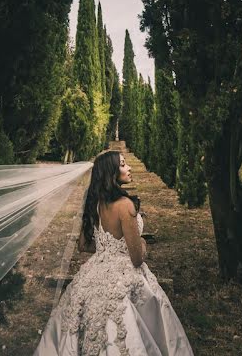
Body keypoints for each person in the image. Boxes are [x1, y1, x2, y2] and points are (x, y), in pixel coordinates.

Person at [34, 150, 194, 355]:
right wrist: (142, 242)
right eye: (123, 164)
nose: (128, 168)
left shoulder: (96, 203)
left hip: (95, 271)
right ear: (111, 172)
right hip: (124, 273)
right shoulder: (125, 205)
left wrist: (107, 248)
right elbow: (136, 258)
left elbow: (84, 245)